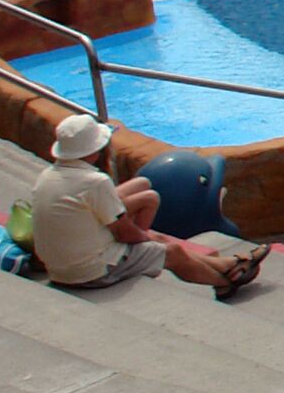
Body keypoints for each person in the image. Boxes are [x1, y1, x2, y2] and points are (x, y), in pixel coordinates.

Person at [17, 114, 260, 299]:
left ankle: (228, 265)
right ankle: (224, 283)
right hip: (88, 272)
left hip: (59, 268)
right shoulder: (94, 182)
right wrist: (148, 239)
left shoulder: (47, 176)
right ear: (93, 151)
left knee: (155, 240)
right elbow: (123, 232)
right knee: (170, 252)